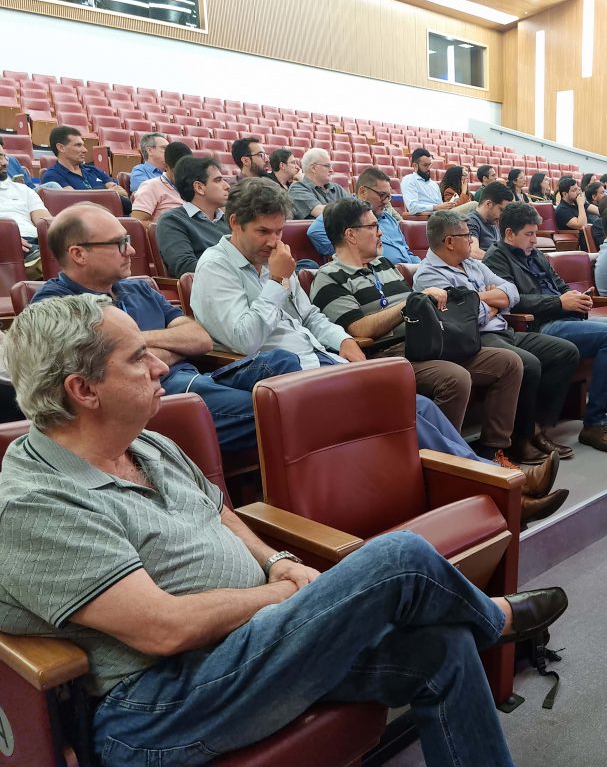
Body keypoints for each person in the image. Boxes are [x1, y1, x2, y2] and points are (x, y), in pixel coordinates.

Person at [0, 292, 569, 767]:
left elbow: (219, 512)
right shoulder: (35, 504)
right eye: (137, 358)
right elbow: (163, 630)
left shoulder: (145, 442)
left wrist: (277, 562)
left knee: (442, 647)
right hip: (160, 703)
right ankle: (493, 619)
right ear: (83, 390)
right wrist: (280, 595)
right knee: (399, 558)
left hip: (250, 644)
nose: (161, 366)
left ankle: (479, 627)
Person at [33, 201, 301, 451]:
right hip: (150, 400)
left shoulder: (139, 288)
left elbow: (200, 339)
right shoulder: (55, 305)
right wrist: (174, 346)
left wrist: (134, 347)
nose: (131, 251)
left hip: (194, 379)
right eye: (119, 243)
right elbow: (104, 368)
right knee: (280, 410)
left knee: (283, 361)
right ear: (78, 254)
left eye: (128, 241)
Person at [309, 198, 524, 462]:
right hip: (386, 355)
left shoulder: (384, 266)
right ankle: (446, 465)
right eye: (373, 226)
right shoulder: (328, 277)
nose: (381, 233)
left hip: (425, 343)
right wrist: (410, 304)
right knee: (454, 378)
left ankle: (493, 451)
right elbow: (357, 329)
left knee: (508, 362)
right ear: (350, 234)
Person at [484, 203, 607, 454]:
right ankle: (595, 423)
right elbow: (513, 300)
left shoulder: (535, 254)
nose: (535, 240)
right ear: (509, 234)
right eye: (529, 234)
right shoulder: (496, 258)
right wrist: (559, 303)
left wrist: (577, 298)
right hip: (540, 326)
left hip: (567, 318)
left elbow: (559, 284)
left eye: (536, 233)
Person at [414, 210, 580, 467]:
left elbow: (511, 291)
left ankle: (537, 428)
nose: (472, 240)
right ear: (449, 242)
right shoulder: (428, 275)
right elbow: (462, 318)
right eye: (467, 235)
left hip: (503, 329)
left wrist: (478, 299)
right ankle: (519, 440)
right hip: (475, 339)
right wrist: (492, 302)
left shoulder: (471, 264)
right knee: (527, 363)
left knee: (565, 352)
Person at [308, 166, 419, 264]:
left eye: (388, 197)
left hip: (406, 273)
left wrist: (418, 266)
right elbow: (315, 232)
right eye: (382, 195)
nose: (386, 202)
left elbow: (407, 251)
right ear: (363, 192)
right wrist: (351, 253)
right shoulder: (344, 212)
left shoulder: (389, 218)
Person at [155, 156, 231, 278]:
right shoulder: (172, 220)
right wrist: (236, 270)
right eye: (218, 180)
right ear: (199, 188)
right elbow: (184, 266)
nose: (227, 186)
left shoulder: (229, 220)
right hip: (212, 286)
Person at [42, 126, 131, 214]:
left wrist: (97, 193)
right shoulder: (52, 176)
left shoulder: (94, 170)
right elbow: (74, 202)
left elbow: (123, 194)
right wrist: (106, 190)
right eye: (78, 145)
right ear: (61, 148)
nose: (85, 150)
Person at [0, 138, 52, 277]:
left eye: (4, 157)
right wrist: (6, 238)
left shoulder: (23, 190)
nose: (5, 163)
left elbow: (45, 221)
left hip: (37, 243)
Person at [130, 140, 192, 226]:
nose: (183, 175)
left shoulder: (193, 187)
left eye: (187, 170)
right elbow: (137, 223)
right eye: (178, 171)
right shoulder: (151, 186)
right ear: (166, 166)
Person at [288, 148, 347, 220]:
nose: (332, 170)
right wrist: (349, 210)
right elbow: (322, 212)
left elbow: (355, 207)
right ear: (313, 168)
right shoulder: (297, 189)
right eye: (327, 166)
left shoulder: (337, 188)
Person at [467, 180, 515, 260]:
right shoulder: (471, 221)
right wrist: (504, 260)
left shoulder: (493, 221)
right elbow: (473, 251)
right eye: (501, 210)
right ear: (488, 204)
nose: (502, 215)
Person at [400, 149, 455, 214]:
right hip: (428, 216)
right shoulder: (409, 180)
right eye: (425, 165)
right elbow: (412, 208)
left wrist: (446, 206)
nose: (428, 168)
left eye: (429, 165)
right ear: (415, 165)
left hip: (441, 215)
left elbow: (440, 206)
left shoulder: (434, 184)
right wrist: (436, 207)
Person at [554, 176, 589, 250]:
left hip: (586, 236)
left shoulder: (576, 202)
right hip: (578, 239)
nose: (578, 192)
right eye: (574, 190)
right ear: (565, 194)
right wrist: (581, 205)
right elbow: (582, 225)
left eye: (578, 189)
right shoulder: (562, 209)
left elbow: (598, 210)